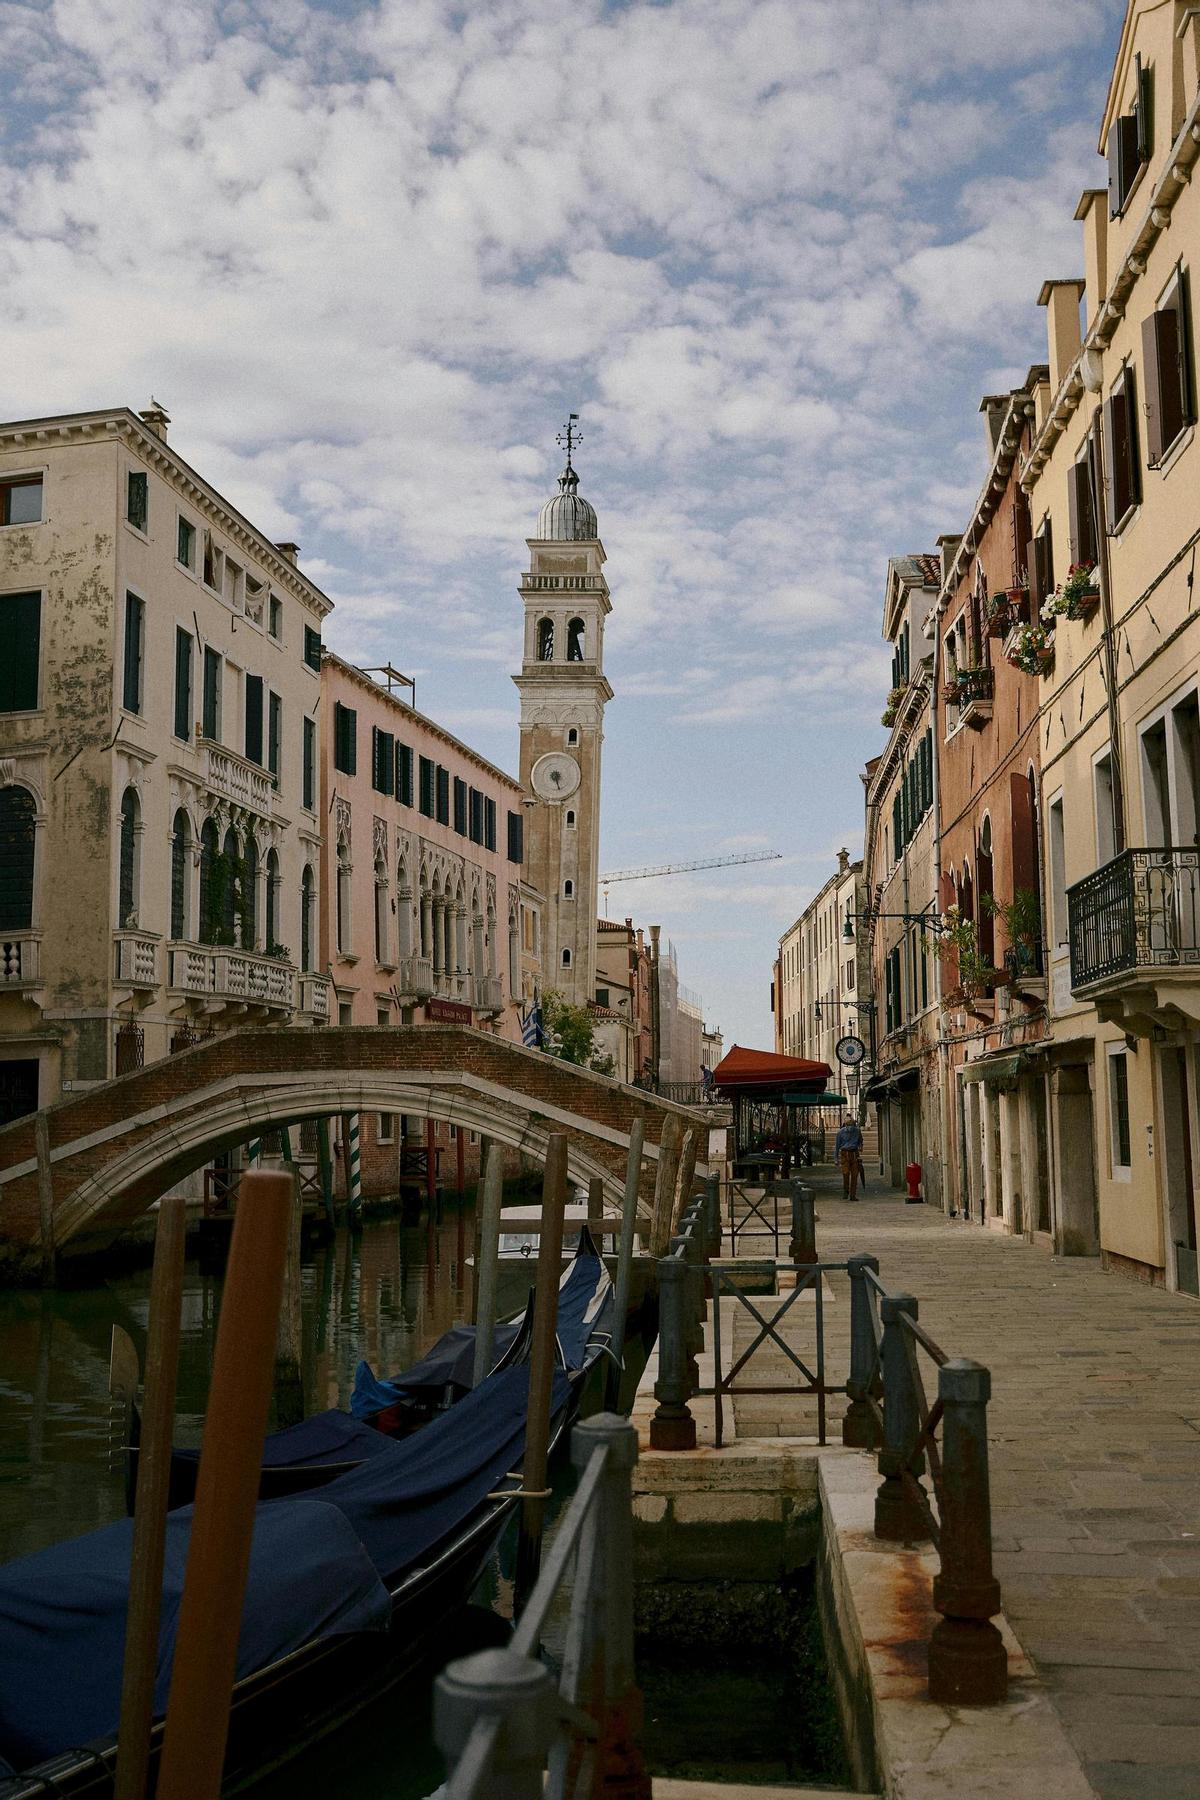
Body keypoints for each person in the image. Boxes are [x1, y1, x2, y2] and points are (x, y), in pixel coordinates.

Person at [834, 1114, 864, 1201]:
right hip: (845, 1153)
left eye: (851, 1125)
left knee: (855, 1174)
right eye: (848, 1125)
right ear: (845, 1125)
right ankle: (845, 1190)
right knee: (846, 1173)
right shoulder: (840, 1133)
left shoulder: (857, 1131)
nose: (850, 1127)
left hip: (854, 1153)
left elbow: (860, 1141)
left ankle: (853, 1194)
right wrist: (836, 1159)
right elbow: (837, 1146)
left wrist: (860, 1146)